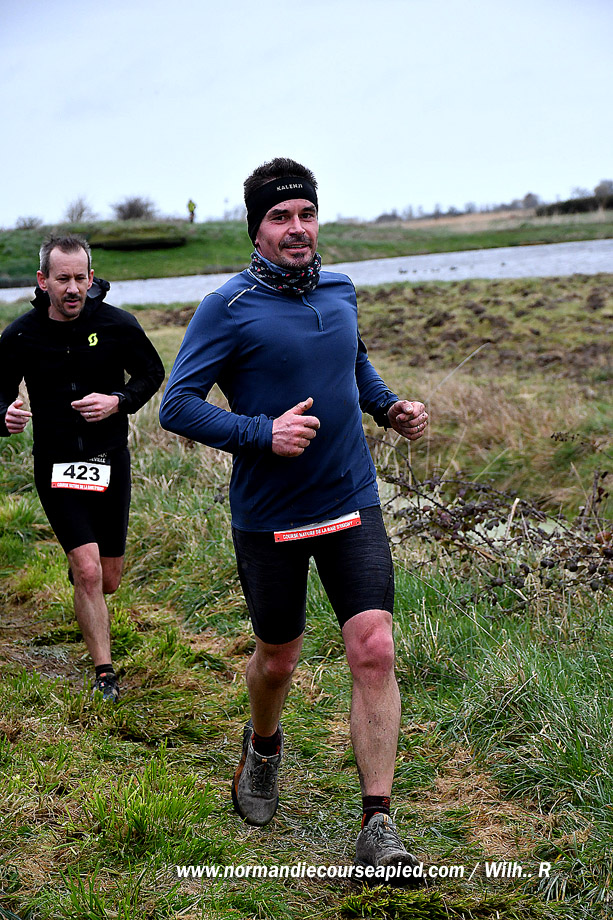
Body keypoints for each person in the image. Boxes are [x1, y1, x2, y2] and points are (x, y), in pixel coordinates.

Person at [159, 158, 429, 880]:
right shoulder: (226, 307)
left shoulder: (340, 290)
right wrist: (261, 433)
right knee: (278, 657)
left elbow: (353, 363)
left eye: (306, 213)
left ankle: (378, 822)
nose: (297, 228)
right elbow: (176, 405)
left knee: (373, 646)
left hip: (349, 498)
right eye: (281, 217)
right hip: (270, 515)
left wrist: (388, 406)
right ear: (256, 229)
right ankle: (263, 746)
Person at [0, 235, 165, 702]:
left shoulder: (117, 324)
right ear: (43, 281)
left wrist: (118, 401)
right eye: (62, 279)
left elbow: (152, 373)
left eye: (79, 278)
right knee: (89, 570)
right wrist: (4, 415)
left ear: (91, 278)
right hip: (55, 464)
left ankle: (84, 573)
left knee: (107, 578)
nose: (72, 288)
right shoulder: (20, 335)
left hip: (109, 460)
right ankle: (105, 674)